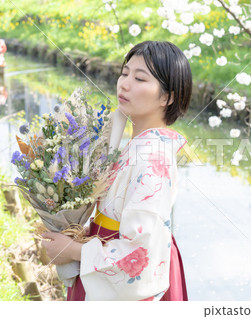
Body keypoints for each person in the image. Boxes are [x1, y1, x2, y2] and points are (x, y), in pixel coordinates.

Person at [41, 41, 192, 301]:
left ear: (168, 97)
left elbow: (139, 252)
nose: (124, 84)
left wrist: (74, 250)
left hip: (112, 271)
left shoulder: (152, 157)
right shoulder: (136, 144)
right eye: (124, 73)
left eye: (140, 78)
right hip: (100, 255)